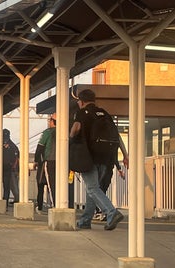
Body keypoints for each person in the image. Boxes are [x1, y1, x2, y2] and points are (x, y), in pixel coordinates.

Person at [70, 89, 125, 230]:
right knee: (93, 189)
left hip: (89, 156)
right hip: (106, 158)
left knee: (92, 188)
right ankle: (85, 220)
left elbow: (75, 129)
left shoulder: (82, 113)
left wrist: (70, 138)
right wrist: (125, 155)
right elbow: (116, 136)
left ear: (81, 102)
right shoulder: (104, 113)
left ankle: (111, 212)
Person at [34, 115, 57, 213]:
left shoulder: (48, 133)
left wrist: (36, 161)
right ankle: (60, 204)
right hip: (63, 163)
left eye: (50, 120)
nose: (49, 122)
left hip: (49, 161)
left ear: (53, 121)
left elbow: (39, 148)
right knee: (56, 185)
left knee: (48, 185)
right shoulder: (65, 131)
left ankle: (54, 206)